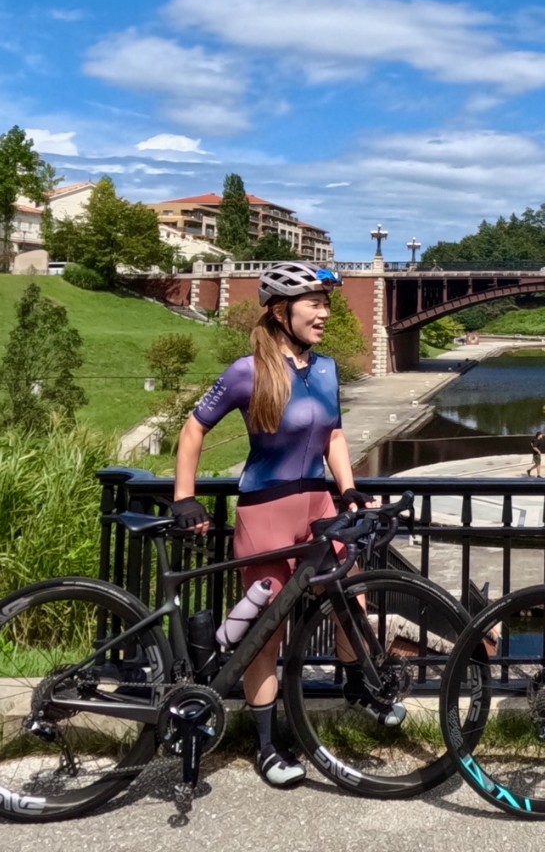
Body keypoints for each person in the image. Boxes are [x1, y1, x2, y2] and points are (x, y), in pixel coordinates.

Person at [171, 261, 397, 790]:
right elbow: (192, 430)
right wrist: (186, 498)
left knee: (351, 596)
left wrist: (348, 491)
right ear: (280, 311)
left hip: (318, 504)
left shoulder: (326, 370)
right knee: (266, 630)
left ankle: (357, 684)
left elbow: (335, 437)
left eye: (326, 302)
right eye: (314, 303)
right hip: (266, 509)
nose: (324, 312)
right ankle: (268, 746)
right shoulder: (246, 371)